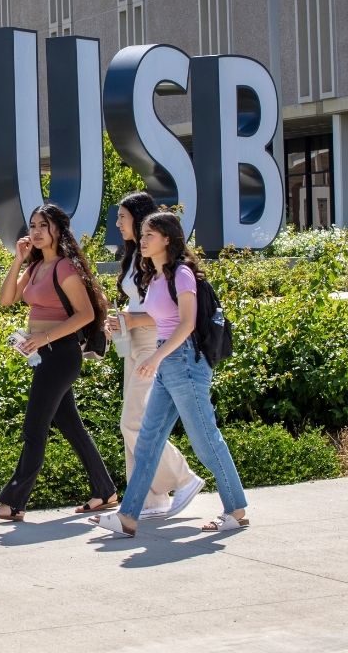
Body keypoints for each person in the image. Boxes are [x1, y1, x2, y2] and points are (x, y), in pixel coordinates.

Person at [91, 211, 249, 537]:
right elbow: (159, 319)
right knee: (148, 441)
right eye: (143, 234)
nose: (143, 240)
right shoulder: (158, 277)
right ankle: (128, 517)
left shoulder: (183, 274)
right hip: (168, 362)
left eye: (150, 234)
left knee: (206, 441)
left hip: (185, 361)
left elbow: (187, 323)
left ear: (167, 238)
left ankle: (236, 510)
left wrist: (157, 356)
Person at [0, 203, 117, 522]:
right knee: (70, 425)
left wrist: (44, 337)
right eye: (33, 225)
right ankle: (105, 490)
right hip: (44, 354)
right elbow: (6, 300)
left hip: (61, 353)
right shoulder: (37, 267)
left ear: (59, 230)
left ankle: (12, 502)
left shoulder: (65, 268)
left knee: (34, 428)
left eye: (44, 225)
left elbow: (86, 314)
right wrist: (18, 260)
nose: (36, 231)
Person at [105, 193, 204, 520]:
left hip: (150, 340)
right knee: (131, 424)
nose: (118, 224)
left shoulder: (153, 260)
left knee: (133, 422)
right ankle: (148, 499)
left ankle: (182, 478)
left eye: (123, 217)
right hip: (132, 340)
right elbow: (139, 303)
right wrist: (121, 320)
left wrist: (133, 320)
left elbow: (166, 311)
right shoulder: (134, 256)